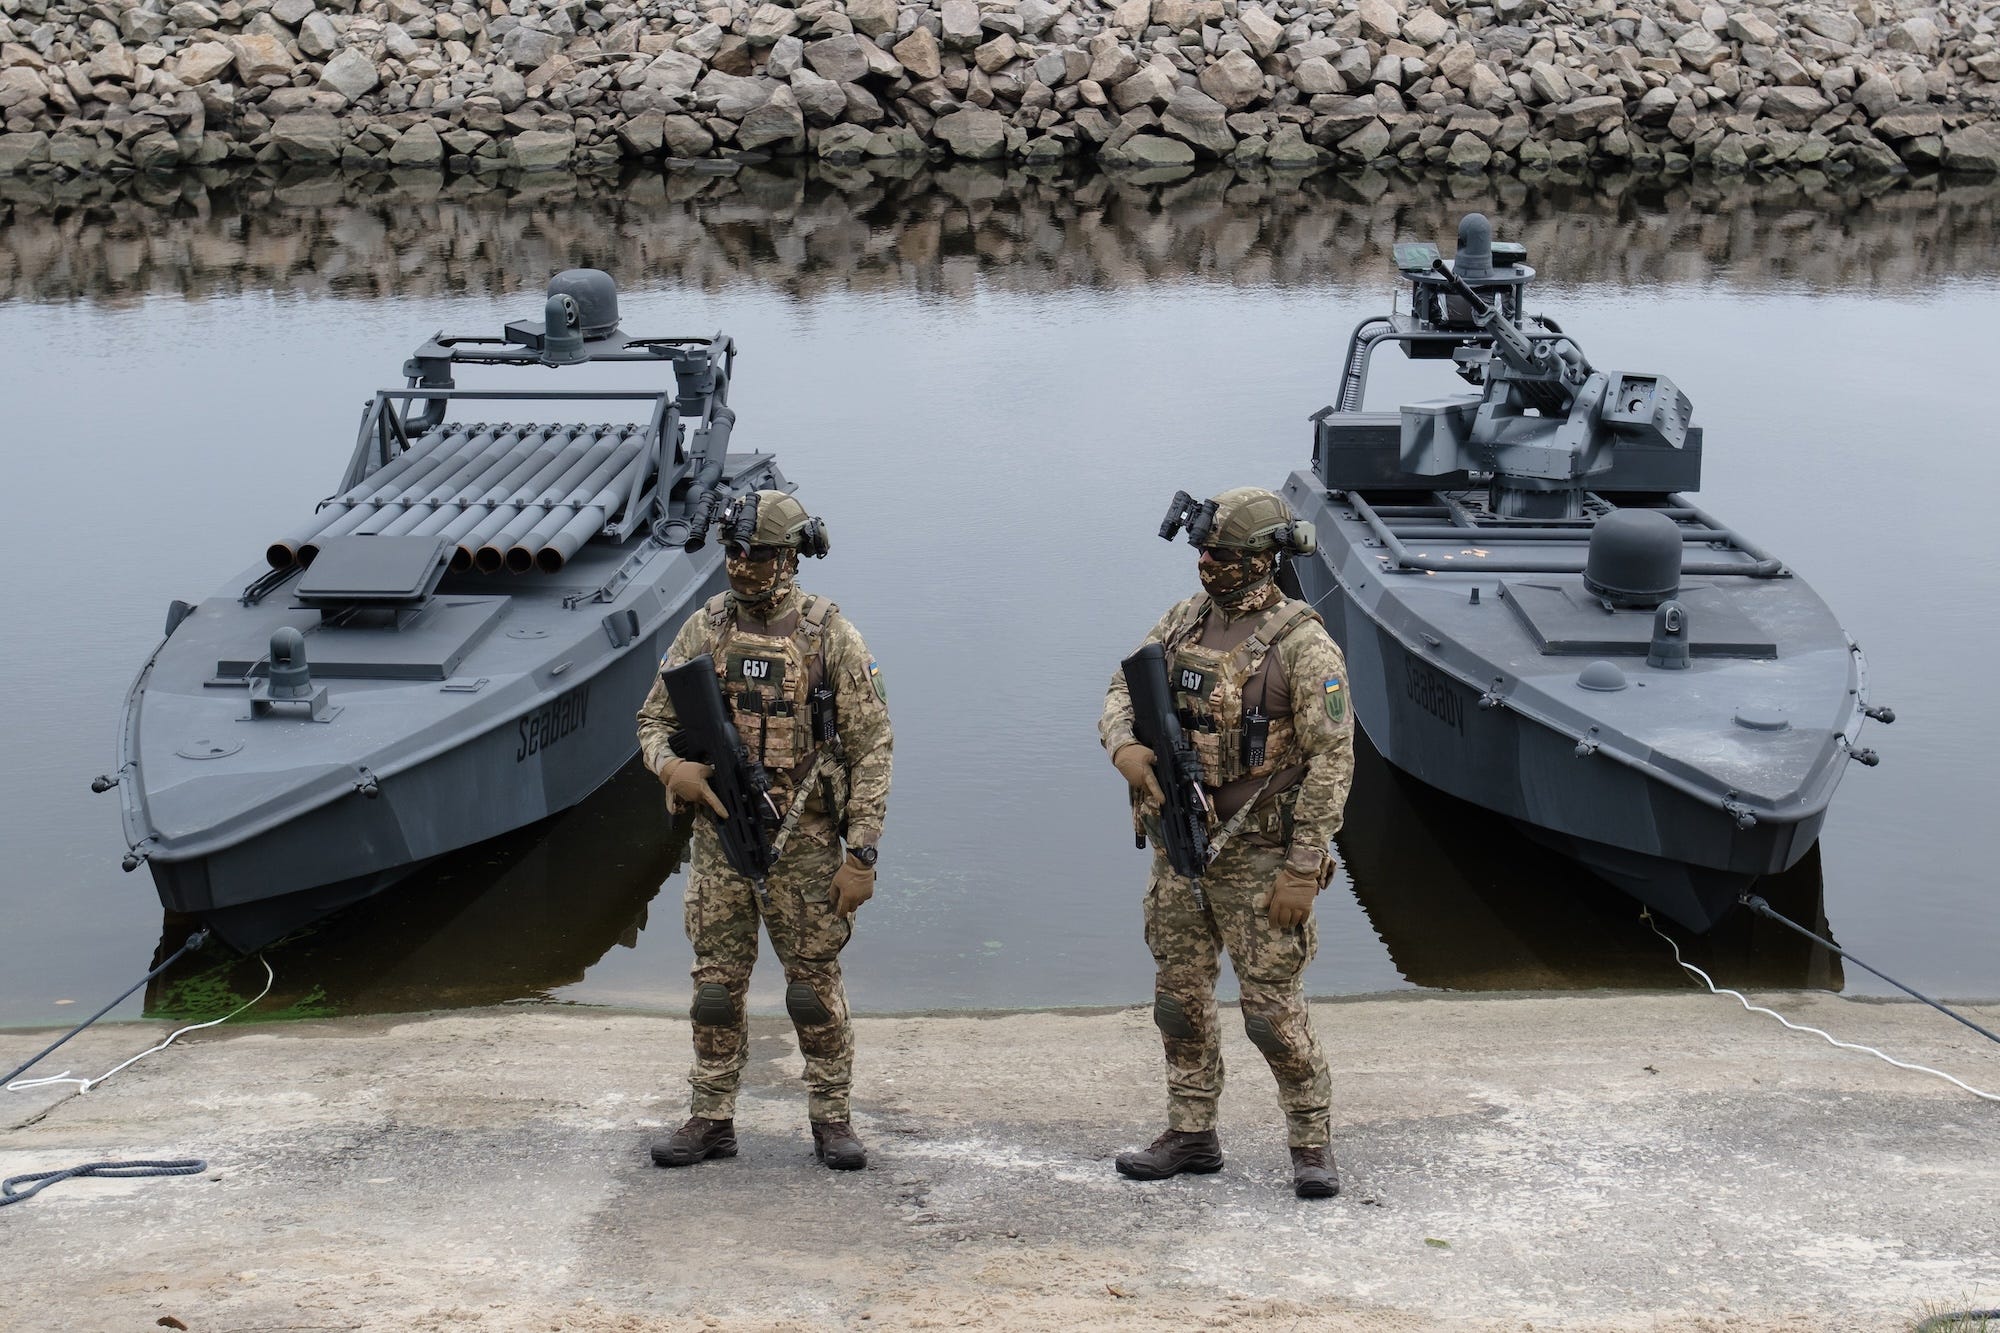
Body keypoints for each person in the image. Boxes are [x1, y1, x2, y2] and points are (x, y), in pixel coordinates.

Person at [1098, 486, 1356, 1199]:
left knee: (1272, 1016)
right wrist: (1125, 747)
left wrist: (1303, 866)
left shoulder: (1303, 645)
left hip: (1262, 858)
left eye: (1225, 554)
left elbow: (1333, 759)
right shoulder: (1184, 621)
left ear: (1262, 559)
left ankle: (1311, 1142)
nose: (1208, 563)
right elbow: (1121, 689)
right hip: (1180, 851)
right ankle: (1191, 1133)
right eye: (1205, 551)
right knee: (1178, 1003)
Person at [636, 489, 892, 1171]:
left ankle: (832, 1118)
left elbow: (872, 747)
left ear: (789, 558)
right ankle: (711, 1117)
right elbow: (653, 719)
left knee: (811, 988)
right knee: (715, 990)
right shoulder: (706, 628)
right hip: (720, 842)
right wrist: (671, 768)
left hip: (805, 846)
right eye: (733, 552)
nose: (740, 565)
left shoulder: (830, 637)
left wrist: (862, 853)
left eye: (755, 554)